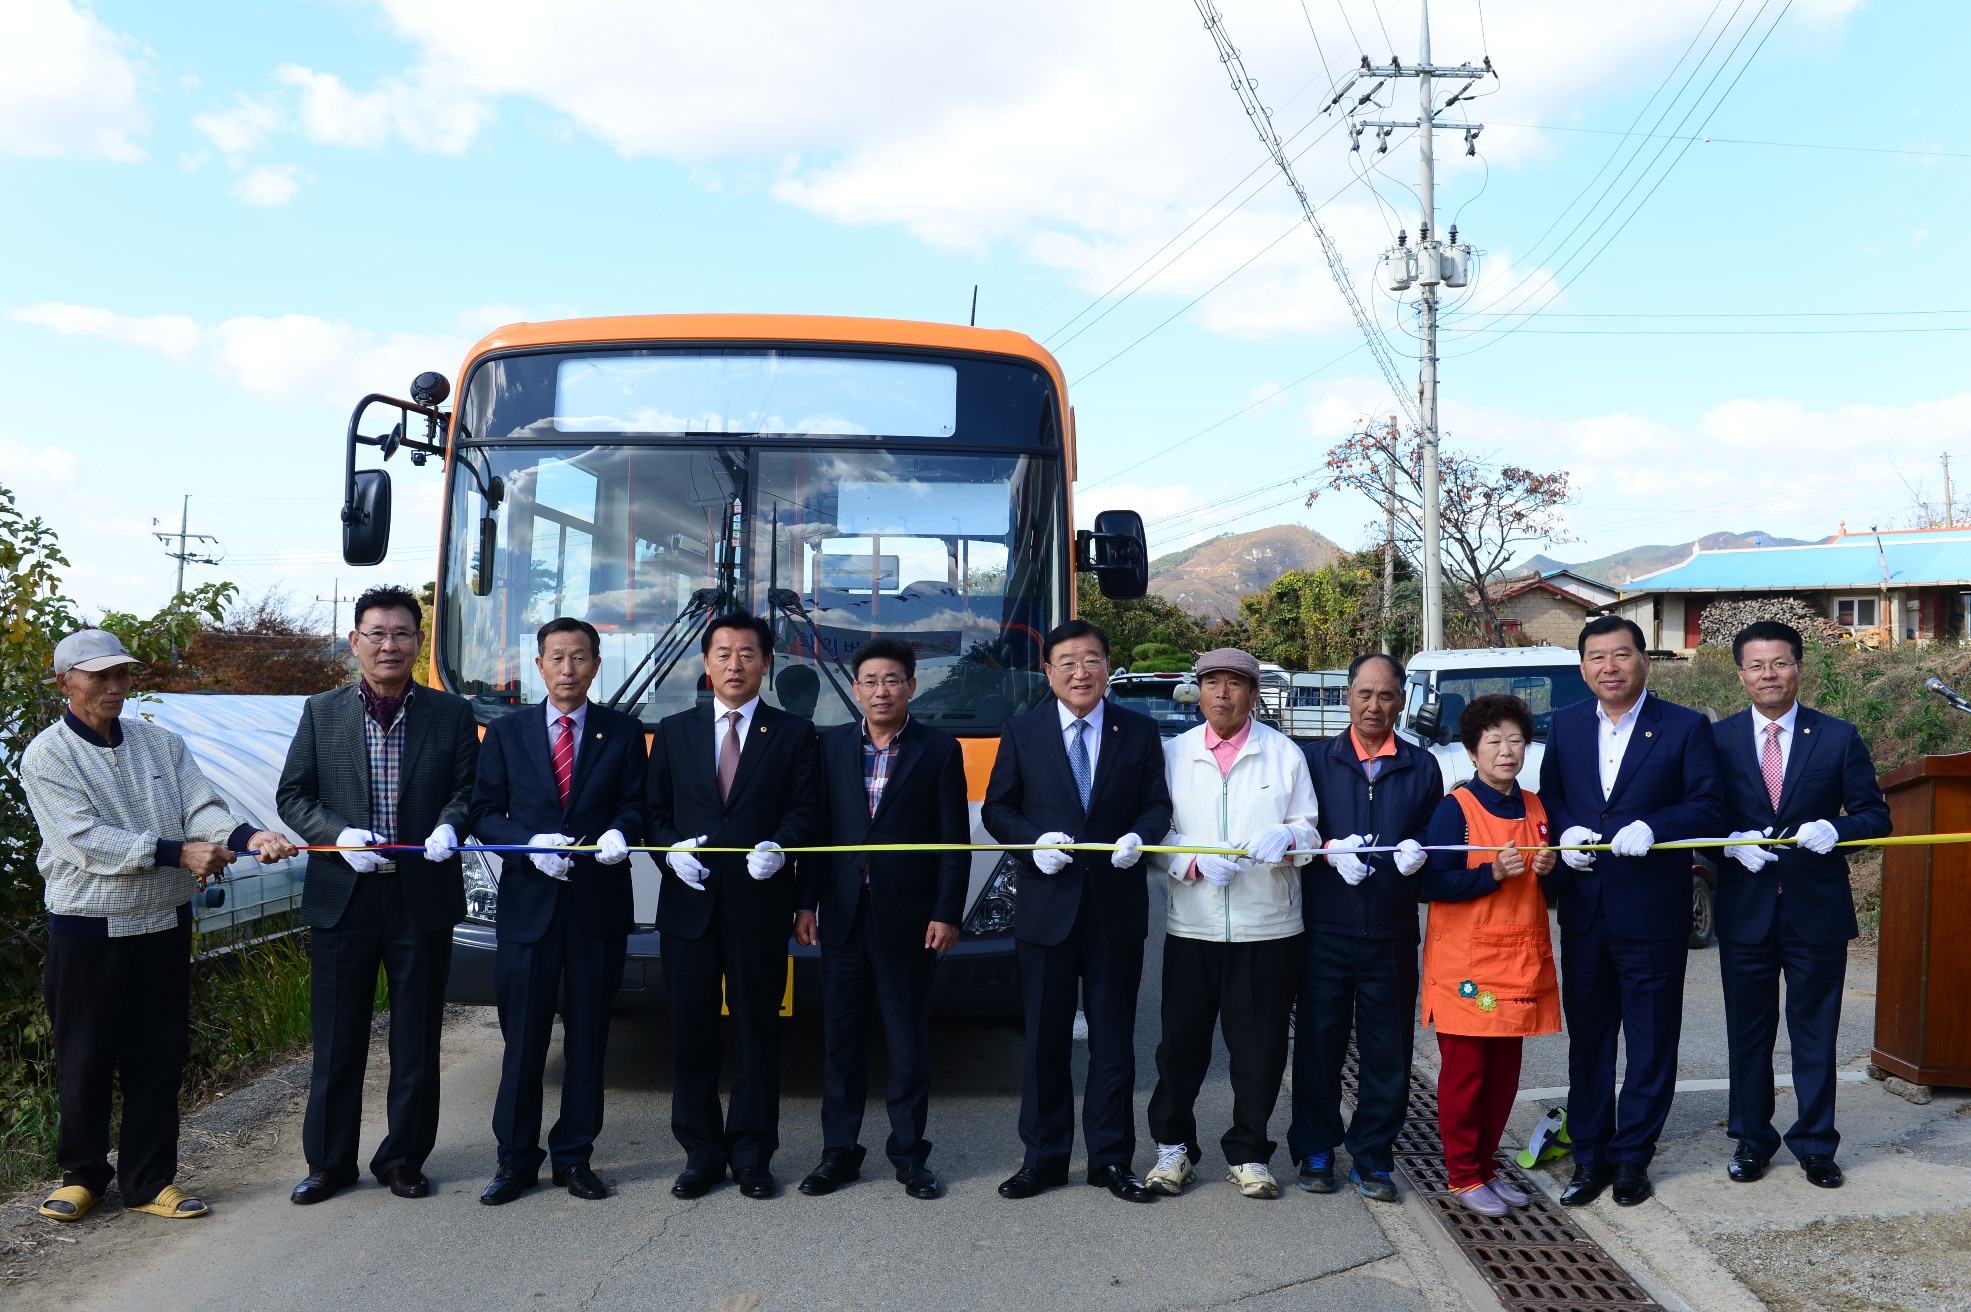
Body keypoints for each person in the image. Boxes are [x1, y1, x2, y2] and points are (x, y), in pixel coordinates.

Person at [23, 629, 296, 1223]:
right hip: (88, 924)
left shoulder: (161, 744)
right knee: (85, 1054)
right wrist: (179, 854)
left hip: (162, 923)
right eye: (99, 676)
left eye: (122, 674)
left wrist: (252, 837)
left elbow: (202, 807)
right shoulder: (47, 754)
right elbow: (82, 839)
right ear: (66, 681)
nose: (115, 687)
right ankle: (83, 1174)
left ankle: (149, 1181)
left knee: (157, 1053)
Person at [278, 584, 481, 1205]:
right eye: (377, 634)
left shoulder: (451, 715)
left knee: (416, 1035)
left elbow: (469, 790)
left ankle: (403, 1158)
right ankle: (329, 1163)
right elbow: (293, 796)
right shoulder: (322, 711)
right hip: (345, 895)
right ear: (356, 642)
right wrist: (336, 835)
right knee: (338, 1038)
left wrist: (451, 824)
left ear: (418, 644)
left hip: (422, 894)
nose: (389, 645)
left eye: (401, 634)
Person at [983, 619, 1173, 1204]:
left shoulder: (1139, 731)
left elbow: (1156, 805)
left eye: (1090, 660)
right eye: (1066, 662)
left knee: (1114, 1041)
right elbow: (998, 809)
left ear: (1107, 666)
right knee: (1044, 1040)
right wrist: (1031, 843)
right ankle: (1043, 1158)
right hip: (1047, 911)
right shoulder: (1022, 730)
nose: (1079, 672)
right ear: (1048, 672)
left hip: (1114, 910)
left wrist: (1141, 837)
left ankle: (1111, 1160)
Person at [1539, 615, 1722, 1207]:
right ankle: (1588, 1156)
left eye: (1621, 655)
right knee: (1589, 1041)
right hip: (1587, 910)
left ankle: (1632, 1159)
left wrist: (1656, 825)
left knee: (1650, 1042)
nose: (1609, 667)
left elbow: (1709, 806)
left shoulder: (1686, 727)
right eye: (1596, 657)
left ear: (1644, 660)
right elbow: (1554, 799)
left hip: (1651, 911)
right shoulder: (1565, 725)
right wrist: (1566, 835)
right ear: (1583, 666)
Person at [470, 617, 649, 1205]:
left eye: (579, 658)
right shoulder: (505, 733)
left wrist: (623, 831)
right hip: (529, 909)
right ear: (539, 666)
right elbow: (484, 813)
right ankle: (515, 1160)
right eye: (556, 658)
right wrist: (528, 844)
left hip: (597, 907)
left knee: (588, 1039)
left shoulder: (623, 733)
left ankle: (575, 1157)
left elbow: (638, 806)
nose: (567, 669)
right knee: (522, 1041)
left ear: (597, 665)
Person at [646, 612, 821, 1201]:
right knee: (691, 1038)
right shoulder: (672, 730)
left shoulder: (794, 733)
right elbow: (652, 815)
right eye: (723, 653)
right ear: (705, 662)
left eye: (748, 653)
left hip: (759, 908)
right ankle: (700, 1152)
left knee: (757, 1036)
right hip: (689, 910)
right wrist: (668, 853)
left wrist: (784, 848)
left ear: (766, 663)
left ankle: (752, 1154)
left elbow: (806, 812)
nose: (735, 664)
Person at [1715, 621, 1890, 1190]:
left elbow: (1876, 817)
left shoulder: (1836, 737)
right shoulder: (1715, 740)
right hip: (1746, 910)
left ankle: (1816, 1144)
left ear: (1799, 667)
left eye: (1781, 663)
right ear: (1741, 674)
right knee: (1748, 1032)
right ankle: (1751, 1139)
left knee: (1815, 1030)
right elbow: (1697, 817)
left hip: (1815, 909)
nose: (1770, 675)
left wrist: (1836, 829)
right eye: (1757, 666)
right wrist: (1727, 843)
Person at [793, 637, 969, 1201]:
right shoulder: (831, 747)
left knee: (908, 1043)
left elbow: (953, 841)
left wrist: (947, 912)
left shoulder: (940, 750)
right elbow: (818, 835)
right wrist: (805, 903)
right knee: (840, 1043)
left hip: (910, 919)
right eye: (869, 681)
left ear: (911, 686)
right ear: (856, 689)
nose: (881, 690)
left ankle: (910, 1156)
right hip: (843, 917)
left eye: (892, 680)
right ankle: (838, 1153)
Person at [1144, 648, 1319, 1201]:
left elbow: (1310, 829)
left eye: (1236, 684)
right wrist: (1189, 860)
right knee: (1180, 1045)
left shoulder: (1284, 755)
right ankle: (1173, 1148)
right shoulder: (1173, 754)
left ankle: (1249, 1152)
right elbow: (1154, 834)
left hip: (1267, 927)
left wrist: (1289, 838)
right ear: (1197, 691)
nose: (1223, 694)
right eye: (1211, 683)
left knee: (1260, 1049)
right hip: (1192, 924)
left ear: (1255, 693)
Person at [1289, 653, 1442, 1203]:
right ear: (1347, 696)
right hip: (1324, 928)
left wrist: (1417, 849)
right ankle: (1316, 1147)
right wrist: (1326, 850)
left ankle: (1373, 1155)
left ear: (1401, 700)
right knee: (1318, 1044)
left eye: (1386, 696)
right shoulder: (1313, 760)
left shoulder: (1421, 765)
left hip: (1393, 929)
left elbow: (1434, 830)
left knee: (1388, 1050)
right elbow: (1296, 829)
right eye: (1364, 694)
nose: (1374, 706)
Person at [1418, 694, 1562, 1217]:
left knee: (1504, 1078)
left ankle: (1486, 1167)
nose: (1507, 751)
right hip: (1466, 968)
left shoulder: (1538, 808)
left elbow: (1558, 887)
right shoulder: (1454, 809)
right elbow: (1431, 881)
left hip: (1520, 963)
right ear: (1472, 751)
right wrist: (1490, 874)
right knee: (1466, 1076)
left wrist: (1553, 869)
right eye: (1494, 741)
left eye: (1516, 741)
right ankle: (1462, 1175)